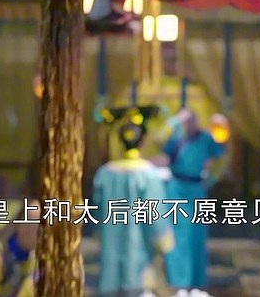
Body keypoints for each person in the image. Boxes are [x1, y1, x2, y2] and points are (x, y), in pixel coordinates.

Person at [93, 115, 175, 297]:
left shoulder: (104, 174)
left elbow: (97, 215)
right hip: (140, 254)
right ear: (143, 141)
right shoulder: (148, 175)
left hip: (110, 251)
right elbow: (155, 216)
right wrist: (164, 242)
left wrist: (100, 233)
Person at [161, 109, 228, 291]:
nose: (187, 125)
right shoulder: (176, 138)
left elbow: (221, 155)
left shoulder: (205, 138)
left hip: (197, 189)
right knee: (176, 236)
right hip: (176, 190)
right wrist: (171, 125)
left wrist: (212, 178)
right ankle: (177, 282)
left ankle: (196, 281)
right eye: (184, 121)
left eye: (190, 121)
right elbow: (159, 147)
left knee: (196, 237)